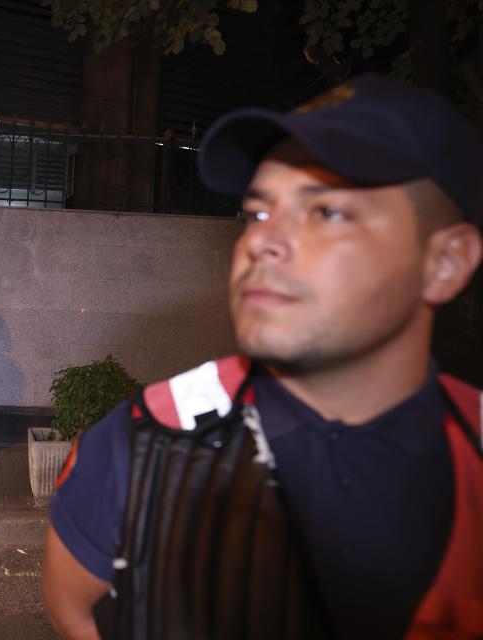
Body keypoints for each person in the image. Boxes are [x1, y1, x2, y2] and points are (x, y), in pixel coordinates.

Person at [41, 74, 483, 640]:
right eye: (258, 213)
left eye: (327, 212)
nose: (259, 241)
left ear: (445, 262)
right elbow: (73, 609)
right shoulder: (142, 440)